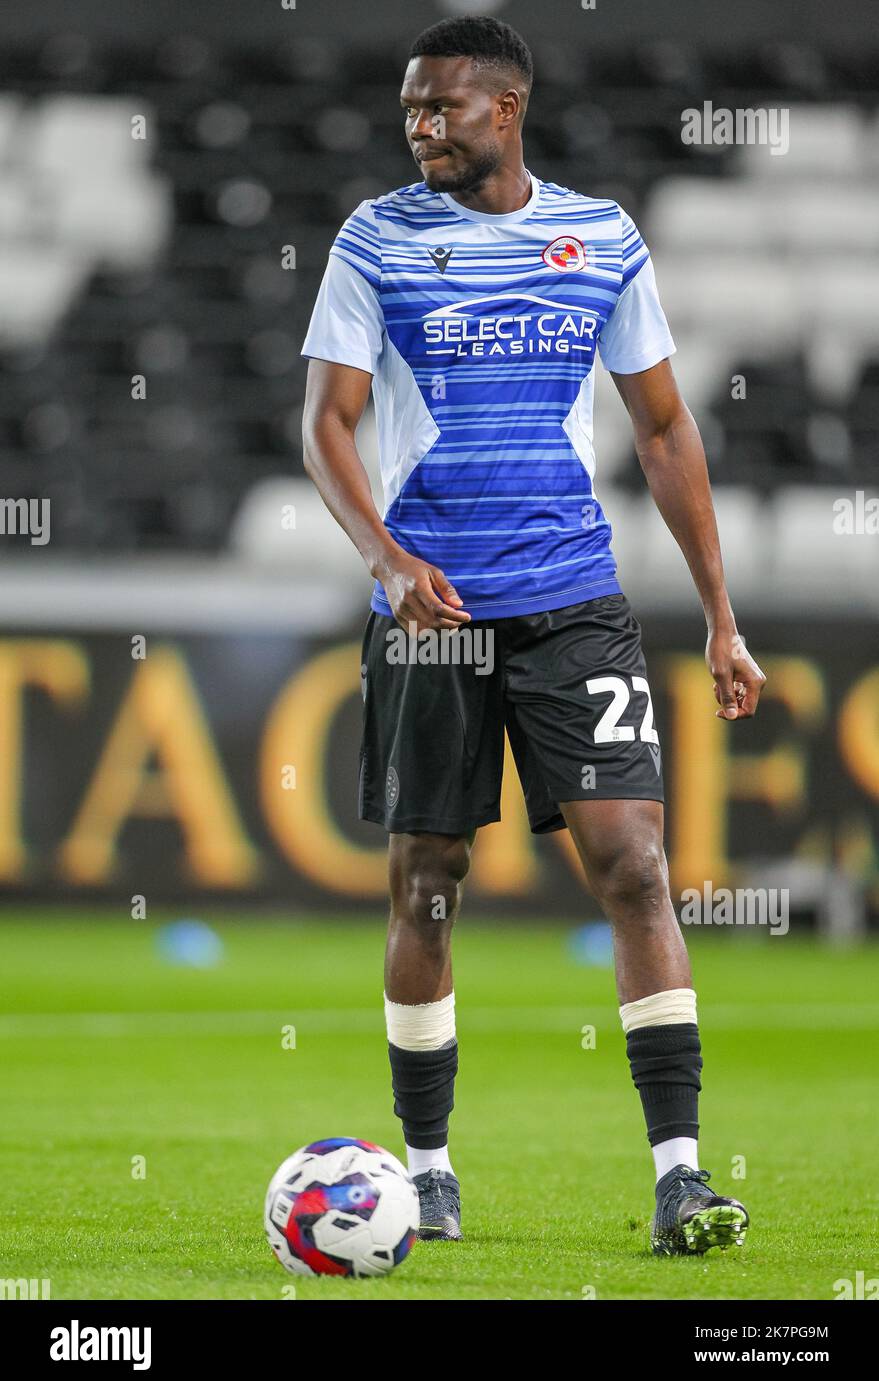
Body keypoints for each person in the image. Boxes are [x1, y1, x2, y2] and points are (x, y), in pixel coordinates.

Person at [301, 15, 764, 1254]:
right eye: (409, 109)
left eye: (440, 108)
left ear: (504, 107)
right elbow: (327, 426)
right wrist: (388, 563)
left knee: (634, 862)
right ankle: (429, 1172)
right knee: (429, 884)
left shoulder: (601, 238)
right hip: (434, 613)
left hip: (571, 604)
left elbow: (666, 432)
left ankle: (680, 1176)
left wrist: (721, 619)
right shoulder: (376, 238)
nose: (419, 128)